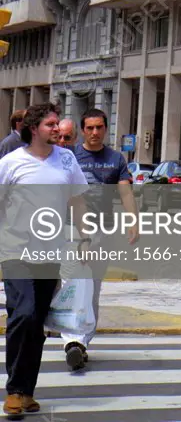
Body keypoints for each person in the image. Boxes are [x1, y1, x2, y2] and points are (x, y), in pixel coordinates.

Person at [0, 103, 88, 420]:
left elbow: (78, 199)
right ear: (34, 128)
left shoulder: (66, 160)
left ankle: (27, 392)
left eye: (57, 123)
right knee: (22, 314)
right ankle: (13, 392)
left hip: (50, 252)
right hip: (15, 251)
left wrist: (85, 237)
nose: (57, 129)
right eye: (51, 124)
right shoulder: (11, 163)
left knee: (36, 323)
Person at [62, 109, 140, 370]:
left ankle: (82, 342)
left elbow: (126, 193)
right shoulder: (70, 156)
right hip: (74, 228)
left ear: (105, 129)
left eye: (99, 128)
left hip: (105, 230)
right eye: (90, 128)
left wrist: (133, 220)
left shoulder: (116, 159)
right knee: (73, 283)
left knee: (93, 287)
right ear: (82, 130)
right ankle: (72, 341)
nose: (94, 133)